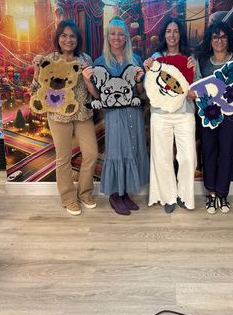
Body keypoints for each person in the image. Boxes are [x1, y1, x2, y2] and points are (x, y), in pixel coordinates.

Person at [32, 20, 98, 216]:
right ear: (58, 38)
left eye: (72, 36)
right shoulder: (49, 59)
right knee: (64, 158)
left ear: (77, 39)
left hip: (83, 114)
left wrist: (87, 80)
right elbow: (37, 89)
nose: (68, 40)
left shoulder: (85, 59)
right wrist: (37, 69)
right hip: (58, 115)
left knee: (91, 154)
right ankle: (68, 197)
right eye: (64, 35)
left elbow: (95, 93)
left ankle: (85, 192)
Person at [94, 16, 149, 216]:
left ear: (126, 37)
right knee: (117, 151)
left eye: (120, 34)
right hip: (115, 114)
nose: (116, 38)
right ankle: (114, 195)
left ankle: (125, 193)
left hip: (133, 112)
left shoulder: (135, 60)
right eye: (113, 34)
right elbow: (97, 95)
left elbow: (141, 92)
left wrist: (140, 80)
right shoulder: (100, 62)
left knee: (131, 150)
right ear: (108, 38)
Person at [144, 17, 198, 213]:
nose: (172, 35)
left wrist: (193, 92)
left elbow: (197, 85)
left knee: (187, 157)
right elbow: (148, 87)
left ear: (180, 34)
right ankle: (168, 197)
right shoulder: (156, 58)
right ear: (163, 34)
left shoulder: (190, 58)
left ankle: (184, 195)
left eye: (175, 31)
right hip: (161, 114)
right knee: (162, 157)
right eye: (168, 31)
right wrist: (147, 68)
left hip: (184, 113)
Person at [196, 19, 233, 215]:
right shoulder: (203, 62)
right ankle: (212, 194)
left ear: (228, 39)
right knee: (209, 152)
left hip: (231, 116)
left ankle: (223, 193)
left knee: (227, 153)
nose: (219, 40)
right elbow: (196, 88)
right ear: (210, 40)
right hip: (209, 114)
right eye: (215, 36)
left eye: (223, 36)